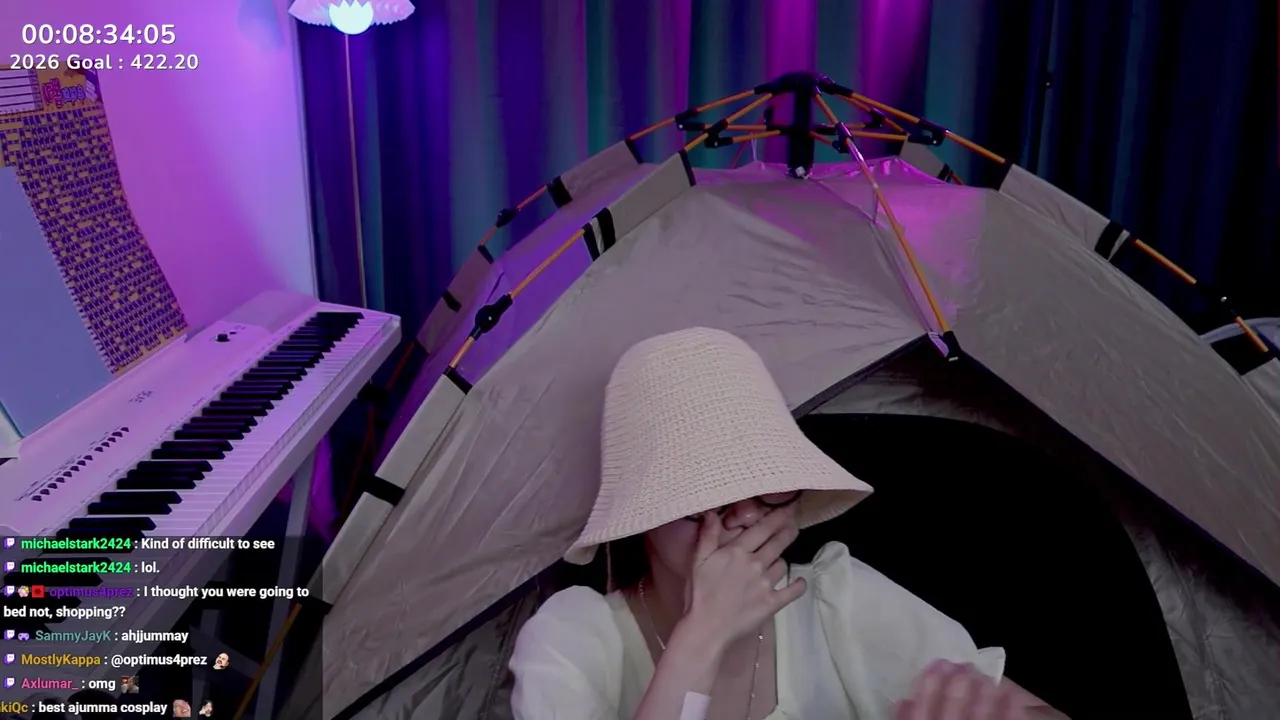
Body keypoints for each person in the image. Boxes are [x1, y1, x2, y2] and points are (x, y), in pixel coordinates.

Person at [509, 327, 1069, 720]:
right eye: (706, 496)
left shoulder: (835, 599)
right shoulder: (572, 640)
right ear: (645, 517)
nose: (746, 516)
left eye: (767, 488)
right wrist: (703, 634)